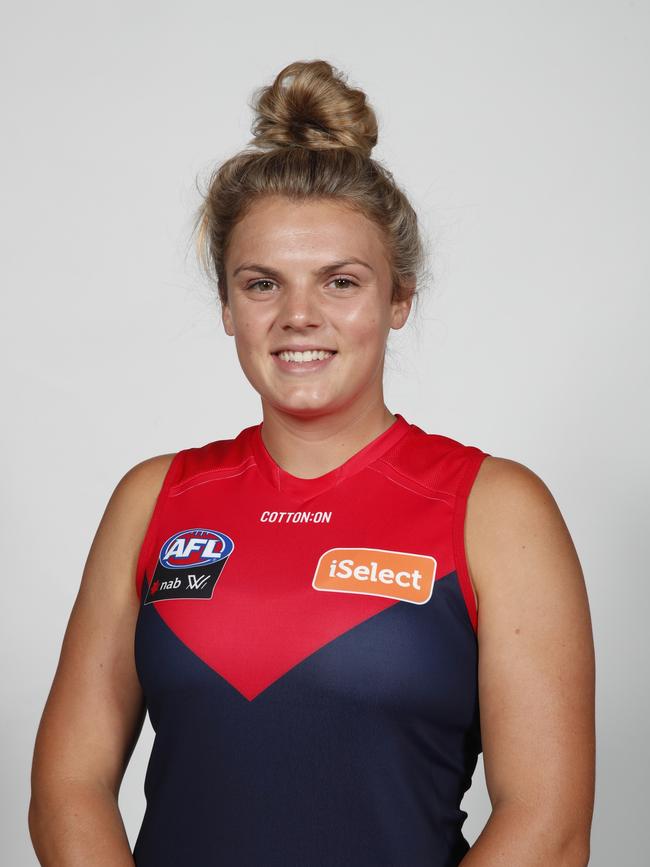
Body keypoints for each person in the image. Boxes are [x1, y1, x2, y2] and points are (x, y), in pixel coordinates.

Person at [28, 59, 595, 866]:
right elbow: (68, 786)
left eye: (340, 282)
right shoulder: (154, 499)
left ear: (398, 297)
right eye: (262, 283)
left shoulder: (495, 508)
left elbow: (549, 824)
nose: (299, 316)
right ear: (227, 304)